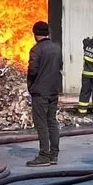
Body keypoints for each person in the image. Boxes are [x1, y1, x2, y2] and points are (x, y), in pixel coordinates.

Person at [26, 21, 63, 167]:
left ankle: (44, 156)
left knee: (41, 124)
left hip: (40, 92)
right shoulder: (56, 48)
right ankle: (54, 155)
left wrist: (31, 85)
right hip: (53, 91)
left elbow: (32, 71)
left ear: (35, 34)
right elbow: (60, 66)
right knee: (52, 122)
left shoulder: (36, 50)